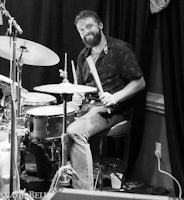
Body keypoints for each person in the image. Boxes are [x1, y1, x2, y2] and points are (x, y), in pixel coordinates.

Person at [66, 10, 146, 190]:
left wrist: (115, 96)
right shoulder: (83, 56)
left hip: (112, 109)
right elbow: (80, 86)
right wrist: (76, 95)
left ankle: (83, 193)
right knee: (50, 125)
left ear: (100, 25)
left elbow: (139, 82)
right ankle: (55, 181)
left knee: (75, 131)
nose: (85, 32)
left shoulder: (120, 49)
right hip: (88, 106)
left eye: (89, 26)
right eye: (81, 30)